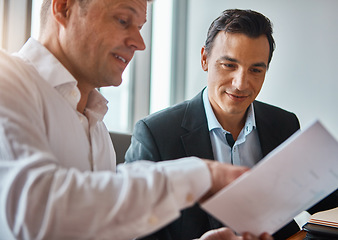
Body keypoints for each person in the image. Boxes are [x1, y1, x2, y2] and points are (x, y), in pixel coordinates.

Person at [0, 0, 274, 240]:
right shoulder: (7, 80)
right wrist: (204, 175)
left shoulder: (95, 125)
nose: (139, 43)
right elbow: (34, 212)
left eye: (140, 27)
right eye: (123, 20)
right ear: (64, 8)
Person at [125, 8, 338, 240]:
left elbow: (324, 195)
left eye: (256, 70)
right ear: (205, 59)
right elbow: (133, 232)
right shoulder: (156, 134)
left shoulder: (284, 124)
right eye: (229, 65)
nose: (240, 84)